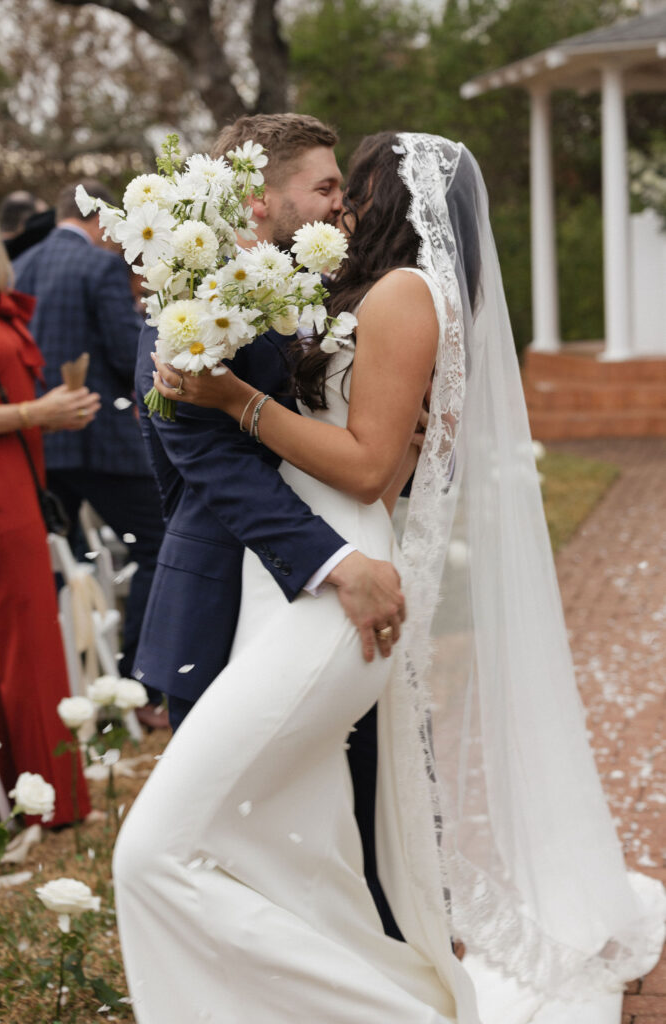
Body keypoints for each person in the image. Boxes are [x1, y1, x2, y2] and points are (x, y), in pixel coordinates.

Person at [114, 132, 665, 1023]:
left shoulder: (403, 293)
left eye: (349, 185)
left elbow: (370, 467)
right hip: (293, 576)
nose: (341, 206)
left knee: (159, 852)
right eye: (329, 188)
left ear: (387, 193)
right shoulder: (337, 295)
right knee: (302, 848)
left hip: (338, 572)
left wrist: (236, 402)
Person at [129, 113, 406, 936]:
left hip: (314, 607)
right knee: (231, 853)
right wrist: (332, 563)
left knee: (352, 831)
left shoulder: (306, 288)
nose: (339, 208)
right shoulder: (190, 291)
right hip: (226, 601)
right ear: (258, 199)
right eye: (322, 188)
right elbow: (205, 461)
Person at [13, 181, 166, 714]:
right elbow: (132, 355)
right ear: (102, 220)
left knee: (55, 564)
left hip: (40, 443)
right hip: (102, 443)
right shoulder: (101, 267)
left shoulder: (21, 265)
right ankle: (136, 684)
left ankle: (62, 685)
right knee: (158, 544)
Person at [0, 195, 98, 826]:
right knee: (18, 646)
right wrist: (33, 414)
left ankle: (31, 792)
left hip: (19, 487)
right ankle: (40, 802)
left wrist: (53, 413)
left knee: (27, 644)